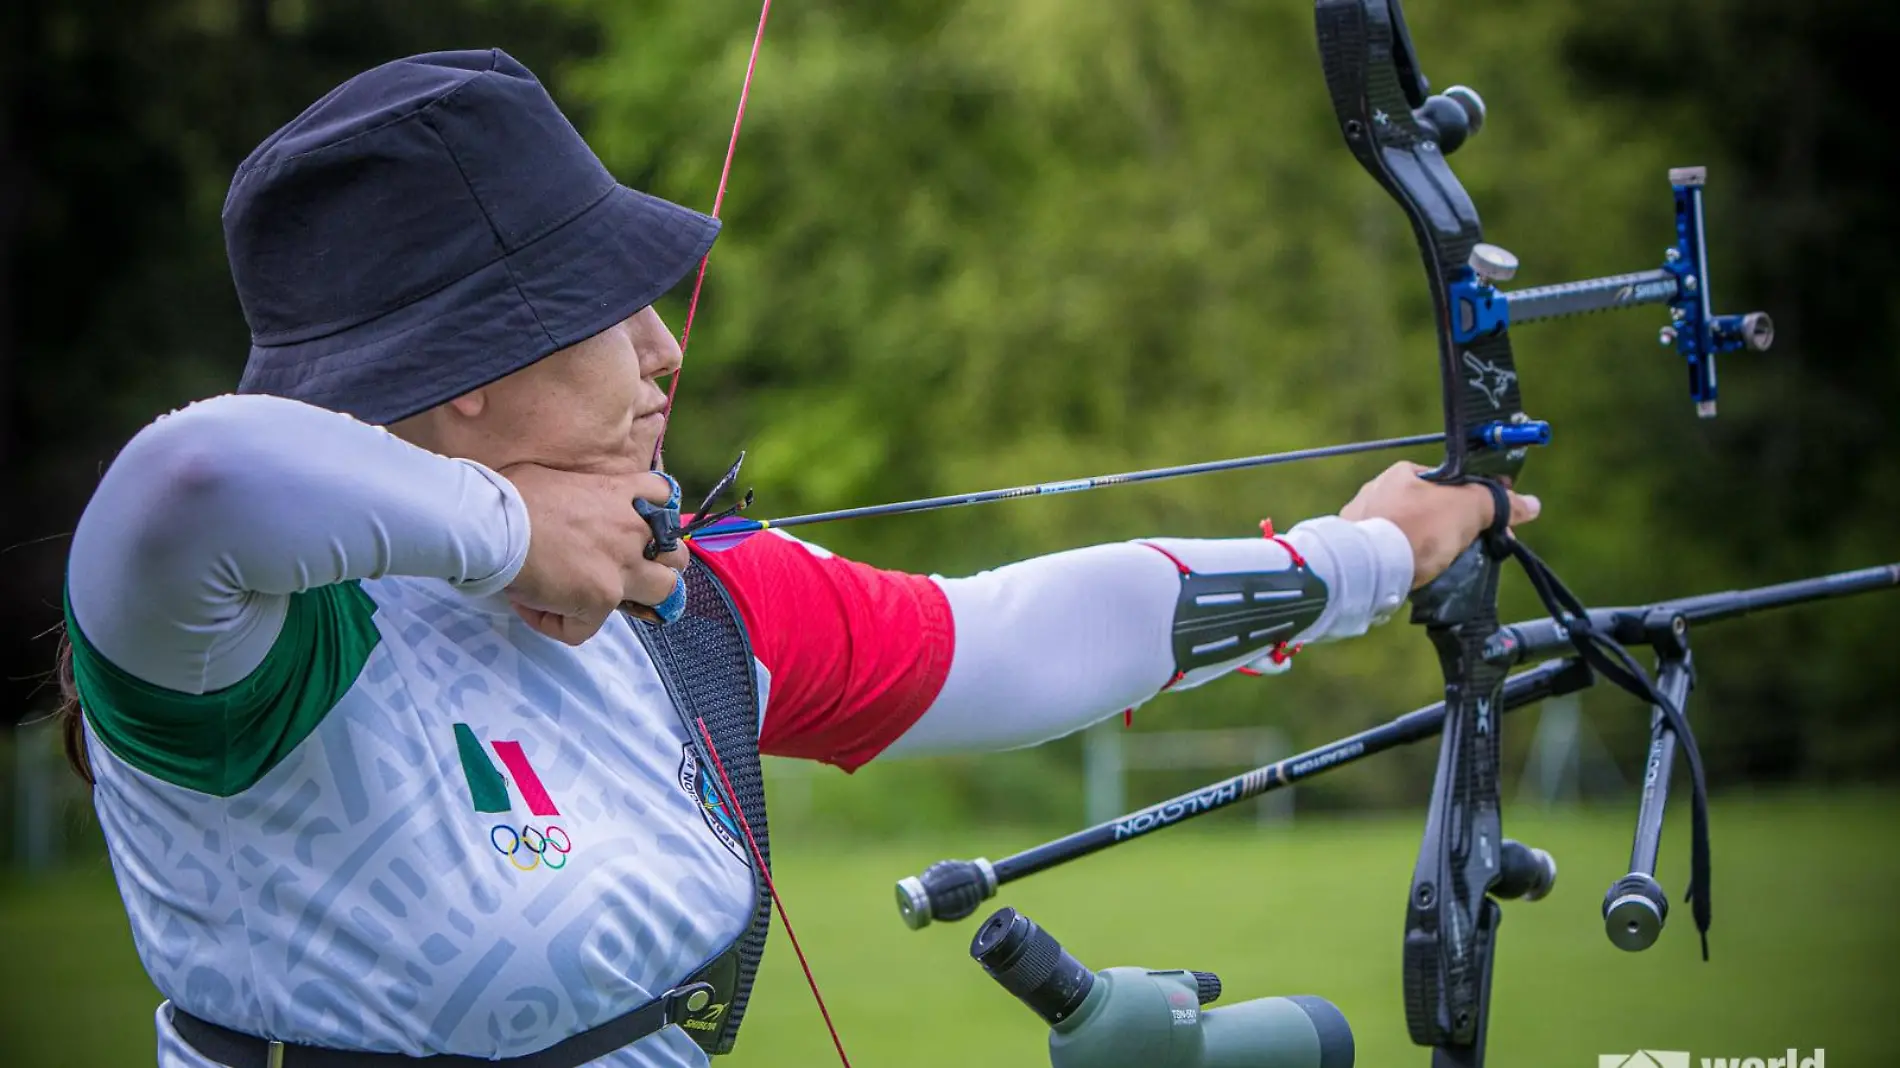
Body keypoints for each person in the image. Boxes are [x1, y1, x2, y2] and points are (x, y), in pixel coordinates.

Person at [53, 49, 1537, 1068]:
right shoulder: (258, 649)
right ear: (466, 378)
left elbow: (1001, 639)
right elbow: (187, 475)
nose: (663, 348)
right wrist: (512, 535)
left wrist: (1360, 558)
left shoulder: (672, 601)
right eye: (602, 306)